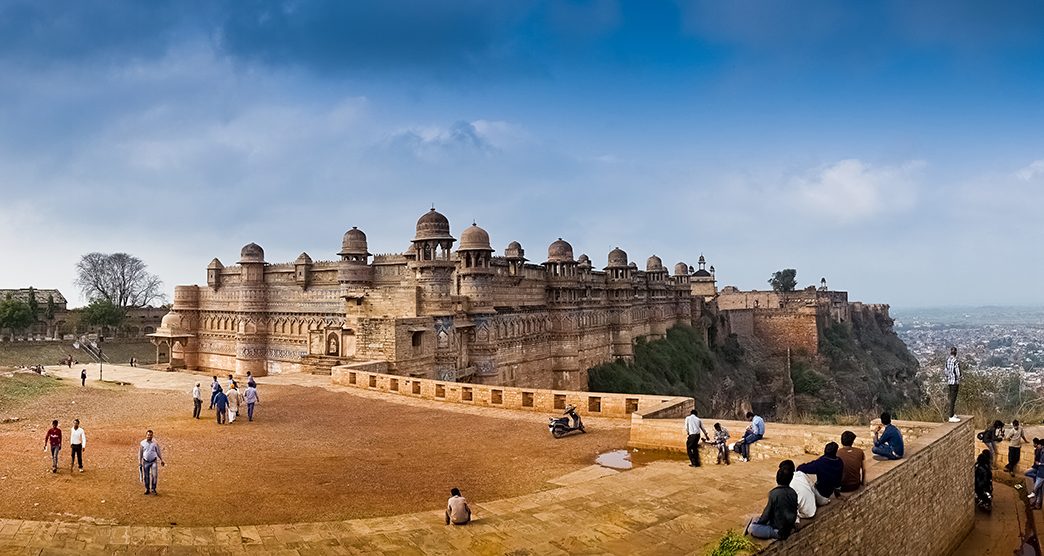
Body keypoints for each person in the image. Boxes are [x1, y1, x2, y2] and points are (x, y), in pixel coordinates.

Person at [746, 465, 798, 540]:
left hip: (778, 531)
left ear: (777, 478)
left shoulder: (774, 493)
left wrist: (759, 523)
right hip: (789, 526)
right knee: (755, 519)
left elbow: (766, 515)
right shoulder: (793, 492)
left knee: (752, 527)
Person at [138, 430, 165, 495]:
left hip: (153, 461)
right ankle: (147, 489)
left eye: (150, 435)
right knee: (146, 476)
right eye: (148, 435)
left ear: (152, 435)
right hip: (145, 461)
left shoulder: (155, 443)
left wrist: (161, 459)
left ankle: (153, 489)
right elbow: (140, 453)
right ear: (146, 435)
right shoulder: (142, 443)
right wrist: (140, 462)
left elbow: (158, 451)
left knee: (154, 475)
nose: (149, 436)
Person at [945, 347, 961, 422]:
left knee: (951, 398)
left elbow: (945, 371)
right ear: (956, 353)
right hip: (955, 382)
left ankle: (952, 413)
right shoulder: (955, 361)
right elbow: (958, 373)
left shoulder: (948, 360)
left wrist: (949, 376)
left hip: (949, 382)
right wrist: (959, 377)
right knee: (953, 399)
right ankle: (951, 416)